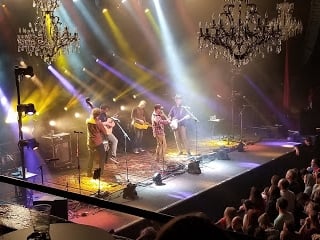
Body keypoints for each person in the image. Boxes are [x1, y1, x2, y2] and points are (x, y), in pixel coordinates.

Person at [86, 108, 107, 177]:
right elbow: (105, 132)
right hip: (98, 142)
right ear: (99, 115)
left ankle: (88, 172)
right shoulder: (99, 123)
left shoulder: (88, 121)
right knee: (102, 156)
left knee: (91, 157)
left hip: (90, 142)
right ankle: (100, 172)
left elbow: (92, 119)